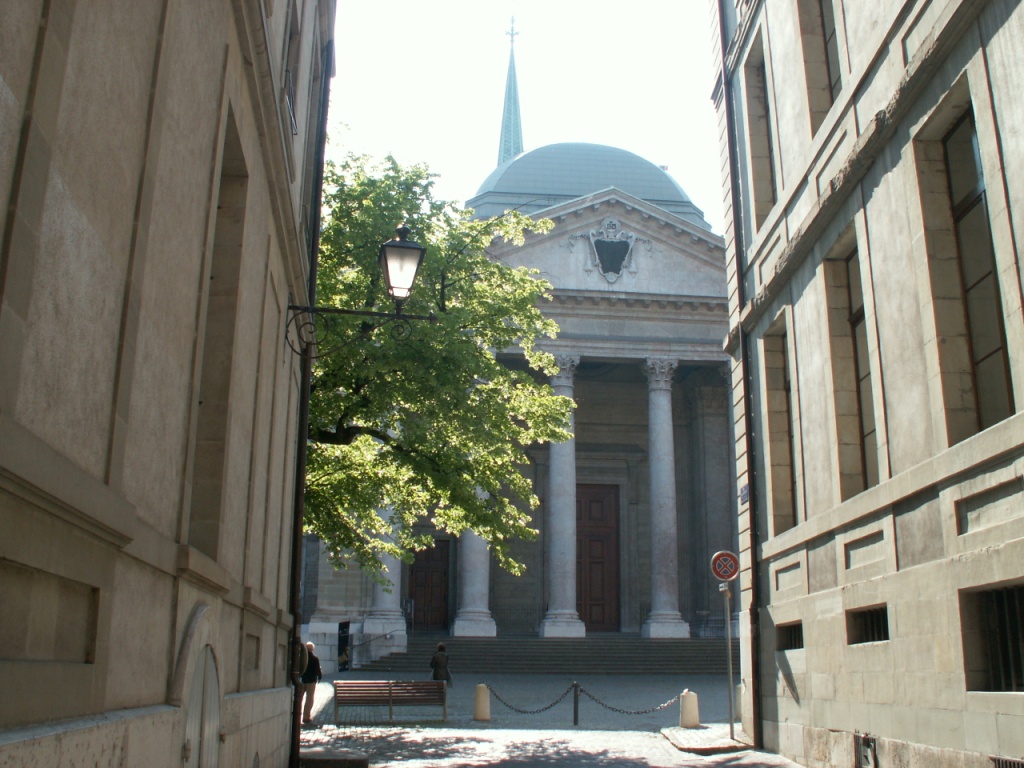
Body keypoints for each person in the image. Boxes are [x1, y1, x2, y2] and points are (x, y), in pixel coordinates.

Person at [300, 641, 322, 724]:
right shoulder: (315, 658)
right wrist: (319, 676)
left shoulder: (301, 657)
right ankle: (306, 717)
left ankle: (296, 715)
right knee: (309, 699)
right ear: (312, 649)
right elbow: (317, 669)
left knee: (299, 698)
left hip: (302, 680)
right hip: (311, 681)